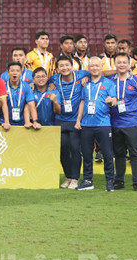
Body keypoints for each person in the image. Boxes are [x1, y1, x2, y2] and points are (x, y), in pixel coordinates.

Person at [75, 56, 117, 191]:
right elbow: (82, 102)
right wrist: (78, 120)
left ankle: (110, 181)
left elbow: (115, 100)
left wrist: (111, 101)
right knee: (87, 154)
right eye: (91, 66)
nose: (94, 68)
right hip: (86, 124)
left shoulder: (109, 83)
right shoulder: (85, 83)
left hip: (103, 123)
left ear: (101, 67)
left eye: (97, 65)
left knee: (107, 154)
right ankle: (88, 181)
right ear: (88, 68)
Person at [50, 55, 91, 189]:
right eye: (61, 66)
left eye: (67, 65)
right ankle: (68, 177)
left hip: (75, 120)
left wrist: (88, 78)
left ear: (72, 65)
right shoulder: (54, 79)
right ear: (57, 69)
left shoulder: (82, 74)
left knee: (74, 148)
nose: (64, 68)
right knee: (62, 149)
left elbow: (97, 73)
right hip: (60, 120)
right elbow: (41, 81)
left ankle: (75, 178)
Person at [110, 52, 137, 191]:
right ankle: (119, 181)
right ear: (115, 64)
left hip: (132, 123)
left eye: (124, 62)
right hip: (115, 122)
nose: (121, 65)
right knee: (119, 153)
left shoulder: (135, 80)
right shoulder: (110, 80)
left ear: (128, 64)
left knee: (135, 154)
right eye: (119, 62)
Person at [0, 62, 35, 130]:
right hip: (3, 123)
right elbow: (3, 104)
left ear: (21, 73)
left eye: (17, 71)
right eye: (12, 71)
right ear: (8, 73)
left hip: (22, 123)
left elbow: (31, 104)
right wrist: (6, 122)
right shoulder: (3, 87)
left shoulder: (26, 86)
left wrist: (35, 121)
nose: (15, 73)